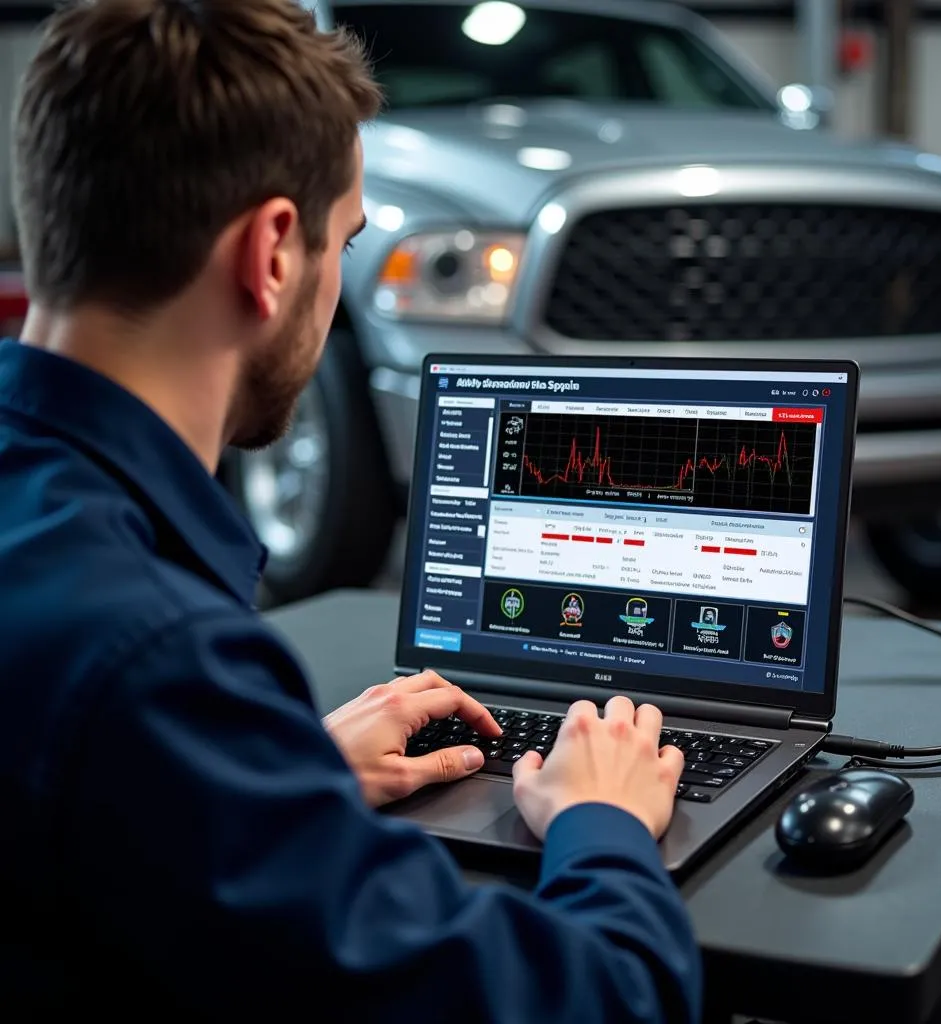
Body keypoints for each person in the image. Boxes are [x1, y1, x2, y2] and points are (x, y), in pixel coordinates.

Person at [0, 1, 700, 1018]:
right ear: (275, 251)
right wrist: (601, 821)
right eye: (346, 241)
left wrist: (270, 778)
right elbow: (598, 999)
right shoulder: (152, 660)